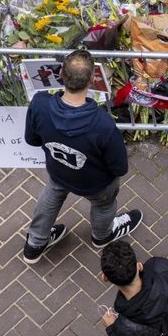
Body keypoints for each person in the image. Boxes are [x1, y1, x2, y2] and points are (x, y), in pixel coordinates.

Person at [23, 49, 142, 264]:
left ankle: (35, 244)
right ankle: (102, 236)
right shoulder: (103, 123)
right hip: (96, 183)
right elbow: (120, 167)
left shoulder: (40, 104)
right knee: (104, 205)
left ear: (60, 74)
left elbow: (32, 139)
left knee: (52, 194)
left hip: (58, 172)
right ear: (92, 80)